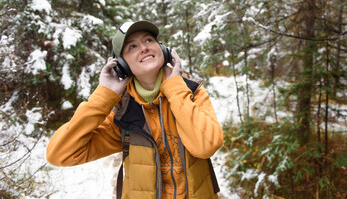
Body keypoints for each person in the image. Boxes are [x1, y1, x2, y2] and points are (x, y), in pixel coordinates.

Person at [46, 20, 223, 199]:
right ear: (121, 64)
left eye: (148, 40)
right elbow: (59, 154)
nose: (144, 48)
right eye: (132, 46)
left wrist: (176, 89)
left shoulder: (191, 93)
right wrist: (103, 97)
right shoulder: (123, 114)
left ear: (163, 50)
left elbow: (205, 146)